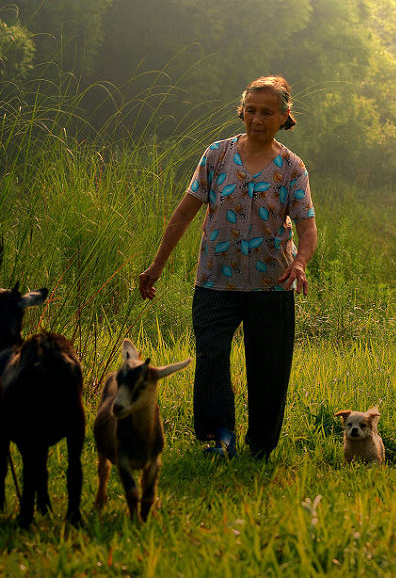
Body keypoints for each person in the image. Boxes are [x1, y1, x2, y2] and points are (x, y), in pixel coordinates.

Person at [138, 75, 317, 461]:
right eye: (250, 110)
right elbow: (184, 212)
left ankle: (260, 448)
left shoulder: (291, 167)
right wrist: (156, 265)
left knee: (269, 367)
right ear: (242, 111)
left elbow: (307, 226)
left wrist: (300, 262)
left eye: (266, 112)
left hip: (272, 284)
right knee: (212, 357)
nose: (256, 118)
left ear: (284, 116)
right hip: (215, 280)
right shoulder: (216, 155)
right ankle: (220, 440)